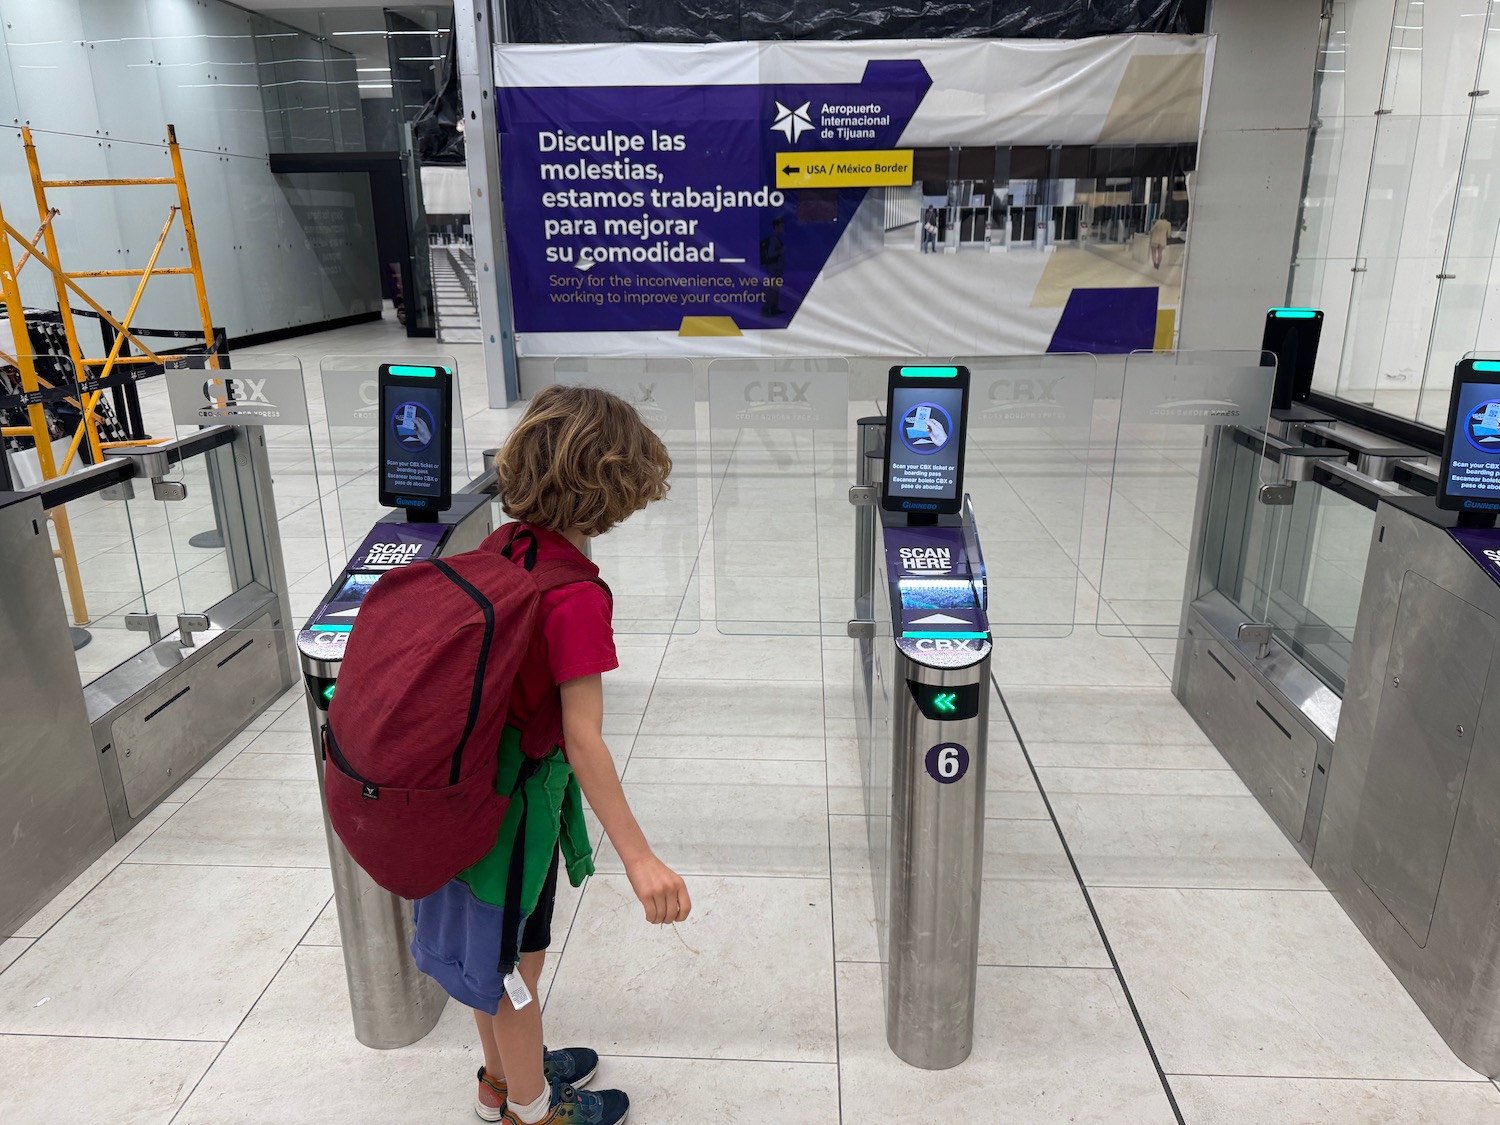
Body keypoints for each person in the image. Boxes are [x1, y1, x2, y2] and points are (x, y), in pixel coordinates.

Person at [410, 385, 692, 1125]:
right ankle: (533, 1111)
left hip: (468, 795)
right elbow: (582, 734)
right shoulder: (575, 598)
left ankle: (501, 1077)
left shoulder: (504, 545)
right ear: (609, 489)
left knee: (491, 959)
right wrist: (640, 857)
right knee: (511, 971)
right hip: (515, 815)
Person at [761, 217, 786, 317]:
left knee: (776, 290)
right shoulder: (774, 239)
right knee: (772, 290)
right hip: (774, 269)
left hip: (777, 268)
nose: (783, 228)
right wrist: (782, 250)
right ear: (776, 227)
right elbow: (771, 254)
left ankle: (774, 308)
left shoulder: (777, 238)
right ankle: (766, 310)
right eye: (781, 226)